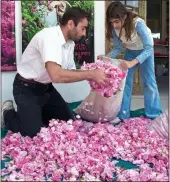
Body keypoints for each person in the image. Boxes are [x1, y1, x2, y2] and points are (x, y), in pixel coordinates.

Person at [2, 7, 107, 138]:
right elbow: (56, 75)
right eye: (83, 28)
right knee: (33, 134)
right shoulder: (50, 37)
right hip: (26, 89)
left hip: (46, 89)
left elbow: (69, 71)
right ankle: (7, 113)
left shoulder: (70, 43)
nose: (84, 33)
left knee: (68, 124)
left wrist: (95, 70)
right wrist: (91, 74)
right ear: (70, 24)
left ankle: (35, 114)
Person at [98, 1, 162, 120]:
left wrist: (132, 63)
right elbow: (118, 48)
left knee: (149, 82)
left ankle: (154, 115)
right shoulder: (114, 28)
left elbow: (149, 48)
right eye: (111, 22)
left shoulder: (138, 24)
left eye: (116, 22)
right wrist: (106, 57)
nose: (114, 25)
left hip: (145, 51)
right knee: (125, 83)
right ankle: (123, 114)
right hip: (131, 51)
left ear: (125, 17)